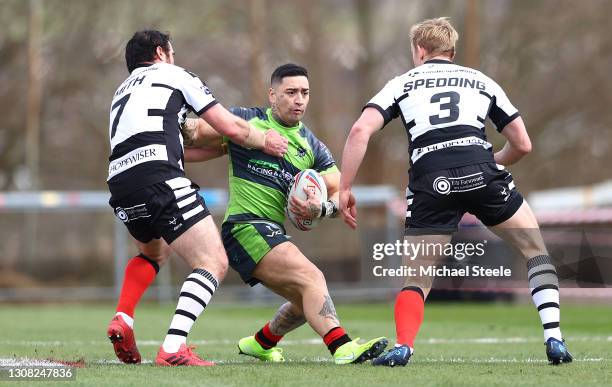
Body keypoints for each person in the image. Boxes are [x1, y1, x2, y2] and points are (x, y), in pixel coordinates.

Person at [338, 18, 572, 366]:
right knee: (535, 250)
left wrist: (344, 187)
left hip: (431, 179)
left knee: (416, 276)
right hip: (481, 171)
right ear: (453, 51)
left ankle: (404, 347)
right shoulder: (481, 80)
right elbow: (522, 143)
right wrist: (491, 161)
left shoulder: (401, 84)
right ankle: (554, 339)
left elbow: (360, 130)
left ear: (419, 50)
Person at [182, 63, 388, 364]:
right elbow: (193, 133)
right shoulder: (244, 121)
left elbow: (338, 193)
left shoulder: (312, 146)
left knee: (306, 299)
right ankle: (342, 347)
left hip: (271, 230)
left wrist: (322, 208)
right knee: (313, 279)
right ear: (272, 95)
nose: (299, 99)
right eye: (290, 92)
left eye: (305, 93)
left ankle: (261, 343)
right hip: (245, 226)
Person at [106, 30, 288, 367]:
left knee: (153, 253)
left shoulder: (121, 92)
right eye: (171, 51)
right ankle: (174, 347)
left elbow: (177, 147)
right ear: (161, 52)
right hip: (159, 178)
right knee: (212, 262)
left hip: (121, 181)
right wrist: (264, 140)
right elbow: (229, 126)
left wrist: (222, 149)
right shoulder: (175, 74)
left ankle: (124, 318)